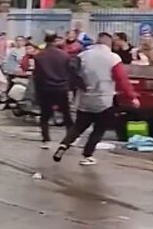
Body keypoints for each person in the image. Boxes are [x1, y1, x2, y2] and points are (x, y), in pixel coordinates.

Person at [53, 32, 140, 166]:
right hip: (103, 99)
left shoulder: (83, 55)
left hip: (84, 98)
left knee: (78, 126)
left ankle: (63, 145)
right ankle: (87, 155)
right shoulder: (112, 58)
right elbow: (122, 79)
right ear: (108, 43)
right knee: (99, 128)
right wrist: (132, 97)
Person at [33, 32, 74, 145]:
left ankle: (46, 139)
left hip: (45, 88)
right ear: (55, 40)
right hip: (61, 88)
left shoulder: (39, 56)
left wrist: (37, 93)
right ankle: (70, 138)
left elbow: (37, 75)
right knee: (66, 114)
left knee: (45, 115)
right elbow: (70, 72)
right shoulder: (64, 55)